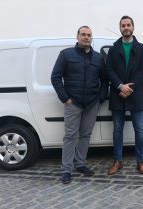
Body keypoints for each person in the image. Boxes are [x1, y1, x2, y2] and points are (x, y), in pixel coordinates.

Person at [51, 26, 108, 184]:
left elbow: (105, 80)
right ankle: (66, 170)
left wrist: (101, 97)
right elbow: (55, 77)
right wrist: (65, 98)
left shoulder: (98, 58)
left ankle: (80, 164)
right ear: (77, 36)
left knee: (85, 135)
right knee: (70, 136)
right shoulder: (66, 55)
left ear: (91, 38)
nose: (86, 37)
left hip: (91, 103)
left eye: (89, 35)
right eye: (83, 34)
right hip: (73, 102)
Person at [106, 16, 143, 175]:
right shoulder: (113, 49)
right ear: (120, 28)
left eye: (128, 25)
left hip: (136, 94)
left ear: (133, 27)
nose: (126, 27)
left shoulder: (142, 48)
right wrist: (120, 86)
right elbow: (109, 69)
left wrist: (129, 88)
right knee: (117, 129)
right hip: (117, 94)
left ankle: (141, 162)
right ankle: (117, 161)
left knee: (140, 129)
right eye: (123, 25)